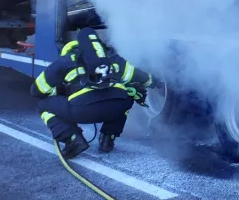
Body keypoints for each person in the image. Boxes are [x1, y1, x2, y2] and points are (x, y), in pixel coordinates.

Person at [31, 27, 152, 158]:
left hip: (83, 109)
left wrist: (59, 92)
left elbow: (36, 90)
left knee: (43, 106)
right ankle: (108, 139)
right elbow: (141, 77)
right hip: (116, 107)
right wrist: (157, 83)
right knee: (127, 96)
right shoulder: (112, 58)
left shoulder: (64, 61)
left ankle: (72, 139)